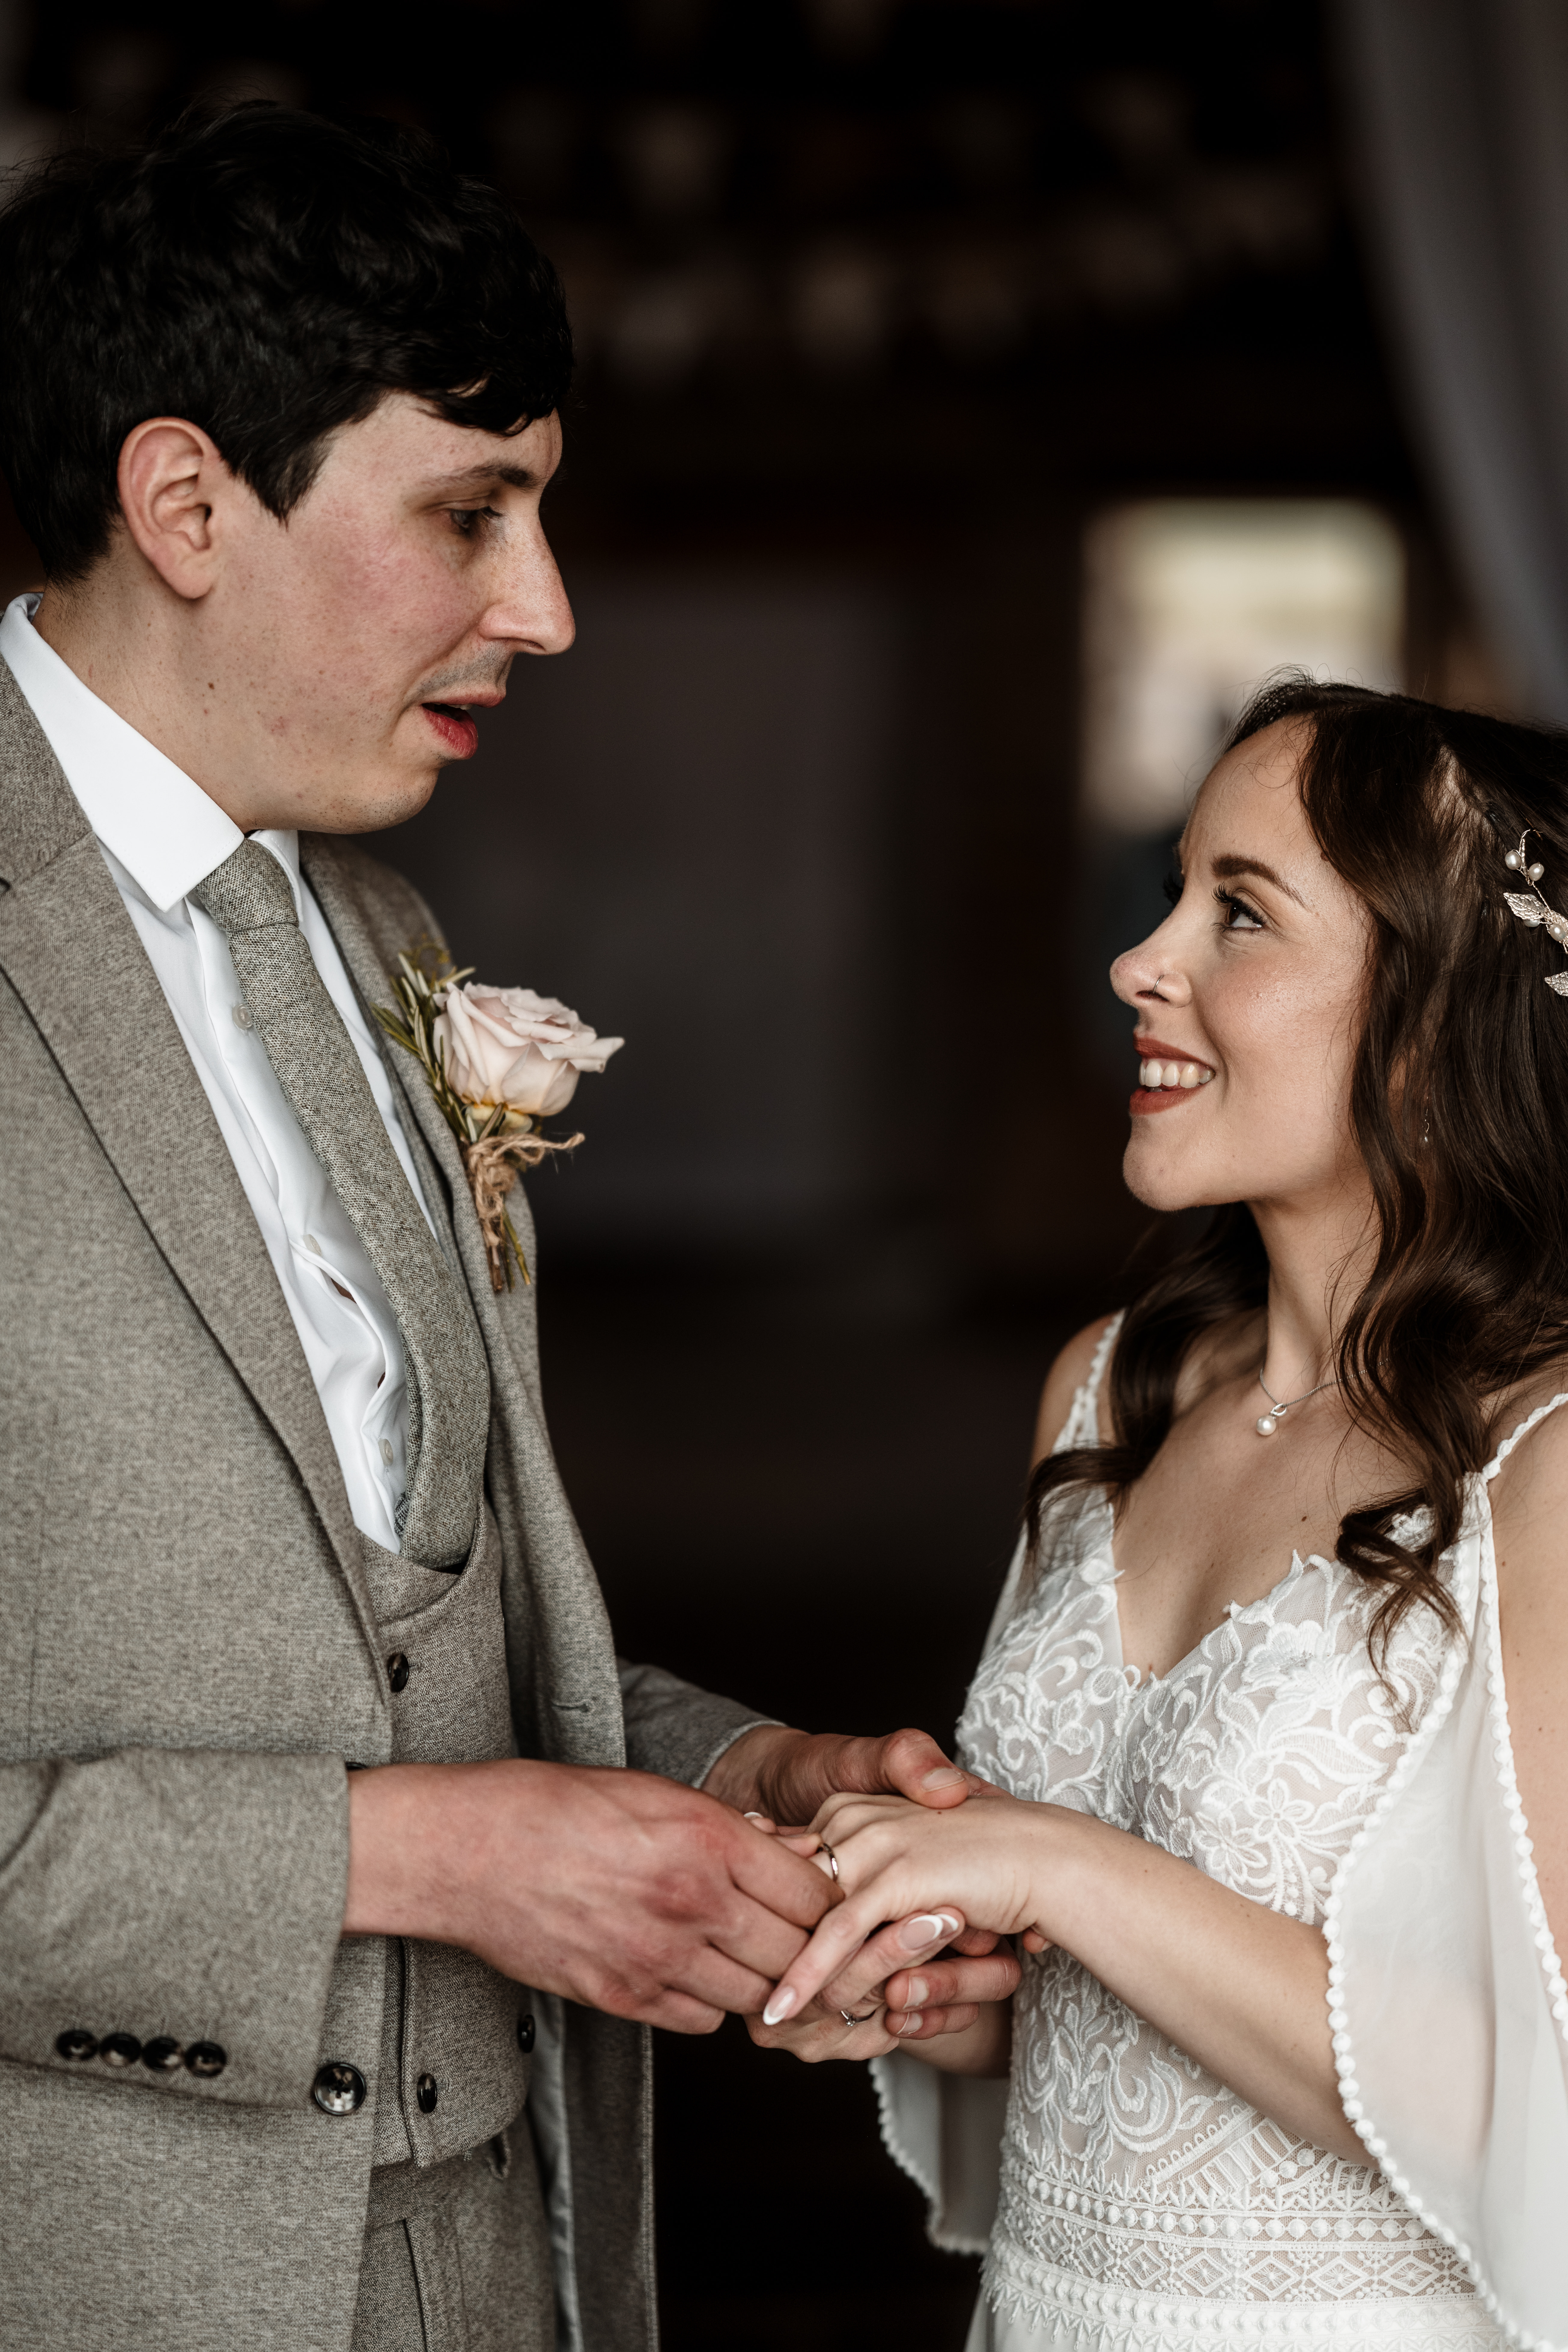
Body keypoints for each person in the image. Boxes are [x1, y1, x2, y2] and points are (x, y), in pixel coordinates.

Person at [0, 105, 1021, 2352]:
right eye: (471, 512)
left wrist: (730, 1773)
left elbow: (411, 1640)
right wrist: (429, 1860)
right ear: (186, 503)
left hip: (512, 2259)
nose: (545, 609)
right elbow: (409, 1799)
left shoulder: (384, 940)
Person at [752, 679, 1568, 2351]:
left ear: (1437, 1012)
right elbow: (1102, 2013)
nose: (1141, 960)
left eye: (1239, 913)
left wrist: (1051, 1861)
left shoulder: (1547, 1459)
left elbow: (1526, 2083)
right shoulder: (1107, 1391)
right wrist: (915, 1975)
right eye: (1174, 891)